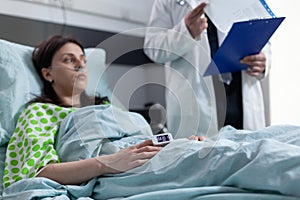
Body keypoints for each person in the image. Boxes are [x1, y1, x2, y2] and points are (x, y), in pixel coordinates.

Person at [3, 35, 203, 189]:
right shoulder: (40, 112)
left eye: (83, 59)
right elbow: (35, 173)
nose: (81, 64)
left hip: (152, 158)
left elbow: (141, 144)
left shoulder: (108, 109)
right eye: (68, 60)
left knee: (215, 146)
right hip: (121, 173)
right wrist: (107, 163)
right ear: (48, 74)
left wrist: (178, 144)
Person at [143, 1, 271, 137]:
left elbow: (264, 39)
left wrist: (264, 61)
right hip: (197, 104)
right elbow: (152, 48)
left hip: (240, 99)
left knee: (249, 151)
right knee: (201, 155)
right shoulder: (166, 2)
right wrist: (185, 31)